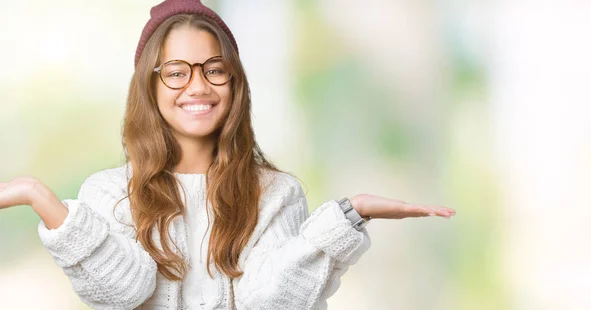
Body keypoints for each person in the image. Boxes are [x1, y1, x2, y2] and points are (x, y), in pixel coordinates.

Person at [0, 0, 456, 309]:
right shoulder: (109, 192)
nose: (198, 86)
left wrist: (347, 216)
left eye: (214, 69)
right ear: (150, 85)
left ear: (234, 82)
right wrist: (37, 196)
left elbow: (272, 300)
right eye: (176, 72)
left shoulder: (276, 192)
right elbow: (126, 291)